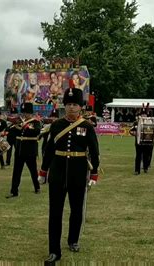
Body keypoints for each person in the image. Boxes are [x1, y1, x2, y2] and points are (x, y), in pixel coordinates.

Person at [38, 88, 100, 263]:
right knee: (55, 213)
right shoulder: (56, 125)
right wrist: (43, 171)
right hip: (57, 173)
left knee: (76, 210)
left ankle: (73, 240)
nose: (72, 108)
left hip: (78, 173)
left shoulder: (87, 126)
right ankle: (54, 251)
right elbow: (49, 149)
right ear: (64, 106)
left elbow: (95, 152)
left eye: (75, 104)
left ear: (81, 107)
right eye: (69, 104)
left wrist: (94, 174)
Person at [6, 102, 41, 198]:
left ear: (31, 113)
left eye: (27, 113)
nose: (25, 115)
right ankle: (14, 191)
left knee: (33, 171)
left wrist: (25, 127)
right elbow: (12, 132)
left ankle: (37, 187)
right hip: (19, 150)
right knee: (16, 171)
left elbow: (36, 132)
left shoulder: (35, 122)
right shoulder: (20, 122)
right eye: (23, 113)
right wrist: (12, 127)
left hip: (30, 150)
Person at [129, 104, 154, 175]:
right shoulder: (136, 122)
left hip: (147, 141)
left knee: (146, 155)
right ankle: (137, 170)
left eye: (145, 115)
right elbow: (131, 130)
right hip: (138, 142)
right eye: (142, 114)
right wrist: (134, 133)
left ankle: (145, 168)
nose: (143, 116)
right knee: (138, 156)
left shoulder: (150, 122)